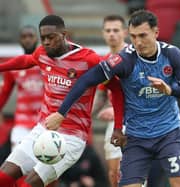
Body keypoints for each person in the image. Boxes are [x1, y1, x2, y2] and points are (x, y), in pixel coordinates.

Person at [45, 10, 180, 187]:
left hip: (169, 134)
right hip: (136, 137)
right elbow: (86, 80)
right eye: (134, 36)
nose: (138, 42)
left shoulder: (172, 54)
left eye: (143, 35)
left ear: (156, 33)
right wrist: (61, 113)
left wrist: (169, 89)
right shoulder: (125, 60)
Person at [0, 15, 124, 187]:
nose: (47, 42)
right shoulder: (42, 53)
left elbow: (116, 89)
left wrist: (118, 127)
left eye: (51, 37)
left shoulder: (89, 60)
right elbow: (26, 61)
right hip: (42, 130)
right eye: (43, 38)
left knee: (29, 184)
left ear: (64, 34)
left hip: (71, 138)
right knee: (4, 177)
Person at [0, 25, 44, 149]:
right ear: (20, 40)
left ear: (37, 39)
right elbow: (4, 93)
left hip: (43, 123)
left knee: (41, 165)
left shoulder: (46, 63)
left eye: (31, 36)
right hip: (22, 123)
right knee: (17, 163)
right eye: (24, 36)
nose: (27, 39)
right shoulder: (14, 67)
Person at [96, 15, 127, 187]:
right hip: (115, 124)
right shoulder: (105, 62)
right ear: (103, 34)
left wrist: (115, 111)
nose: (112, 34)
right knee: (114, 173)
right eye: (108, 30)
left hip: (135, 121)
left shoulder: (133, 56)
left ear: (125, 32)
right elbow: (101, 95)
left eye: (116, 30)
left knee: (132, 172)